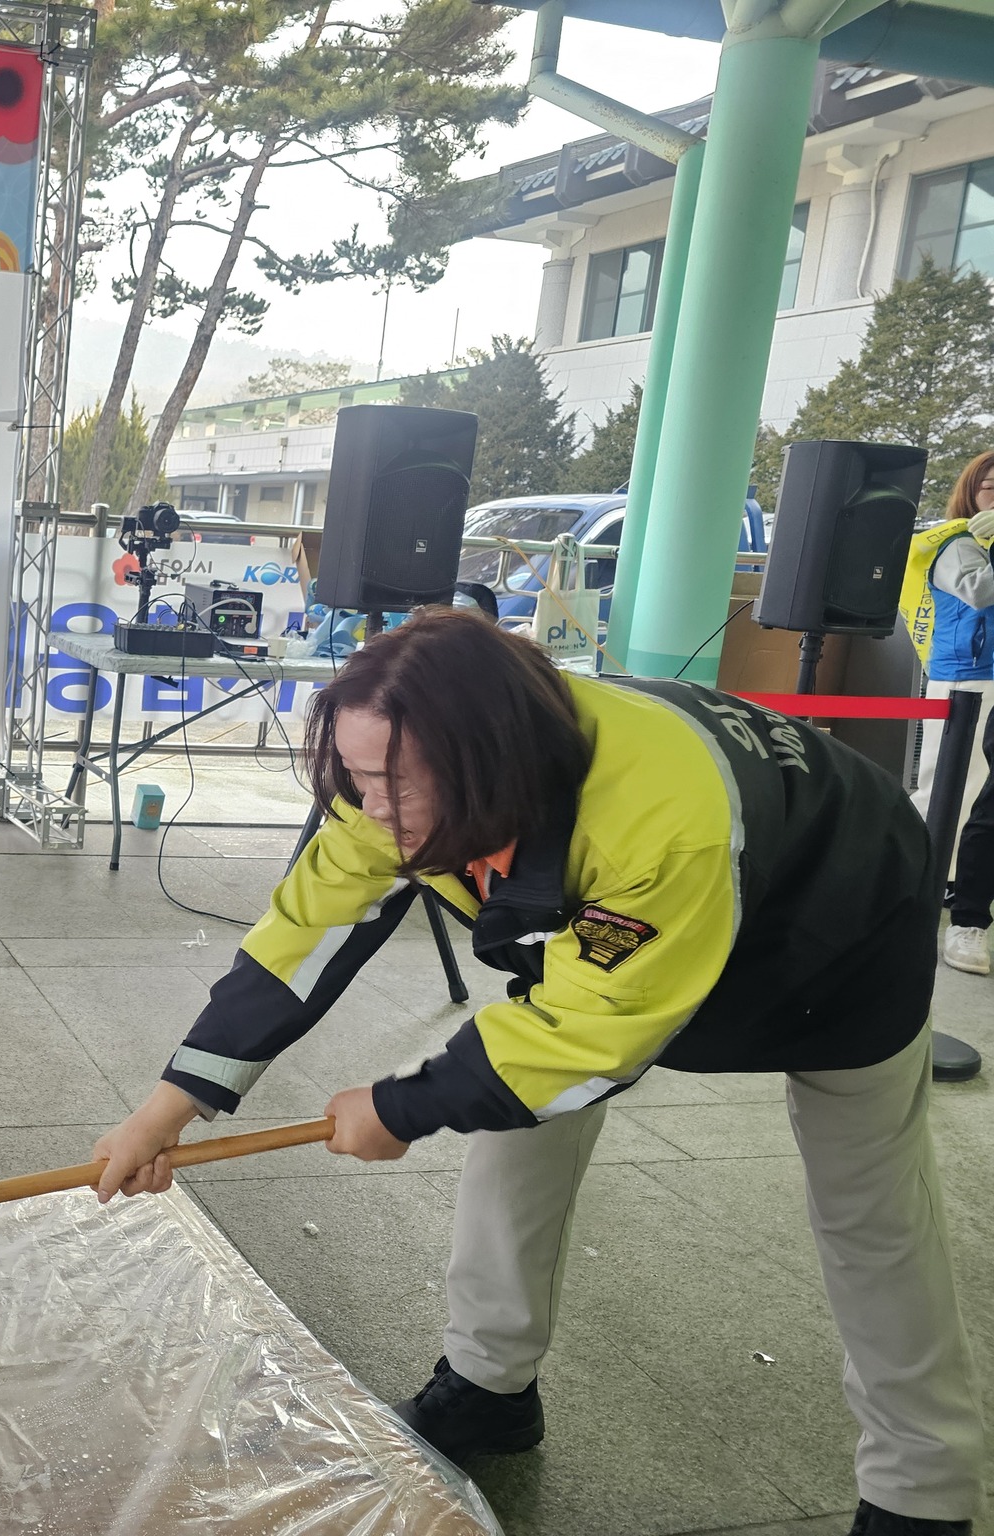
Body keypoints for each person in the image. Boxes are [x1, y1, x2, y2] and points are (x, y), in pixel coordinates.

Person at [93, 610, 983, 1536]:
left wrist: (400, 1108)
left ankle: (923, 1490)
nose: (370, 805)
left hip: (838, 922)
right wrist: (168, 1108)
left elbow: (588, 1037)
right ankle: (489, 1388)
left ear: (486, 762)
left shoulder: (658, 817)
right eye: (355, 778)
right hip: (631, 930)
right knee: (516, 1123)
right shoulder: (399, 771)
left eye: (393, 783)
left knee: (871, 1205)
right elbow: (298, 942)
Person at [901, 450, 994, 974]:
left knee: (982, 795)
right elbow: (980, 592)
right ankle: (908, 874)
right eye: (991, 487)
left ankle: (951, 882)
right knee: (944, 787)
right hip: (966, 677)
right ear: (971, 491)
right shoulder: (957, 541)